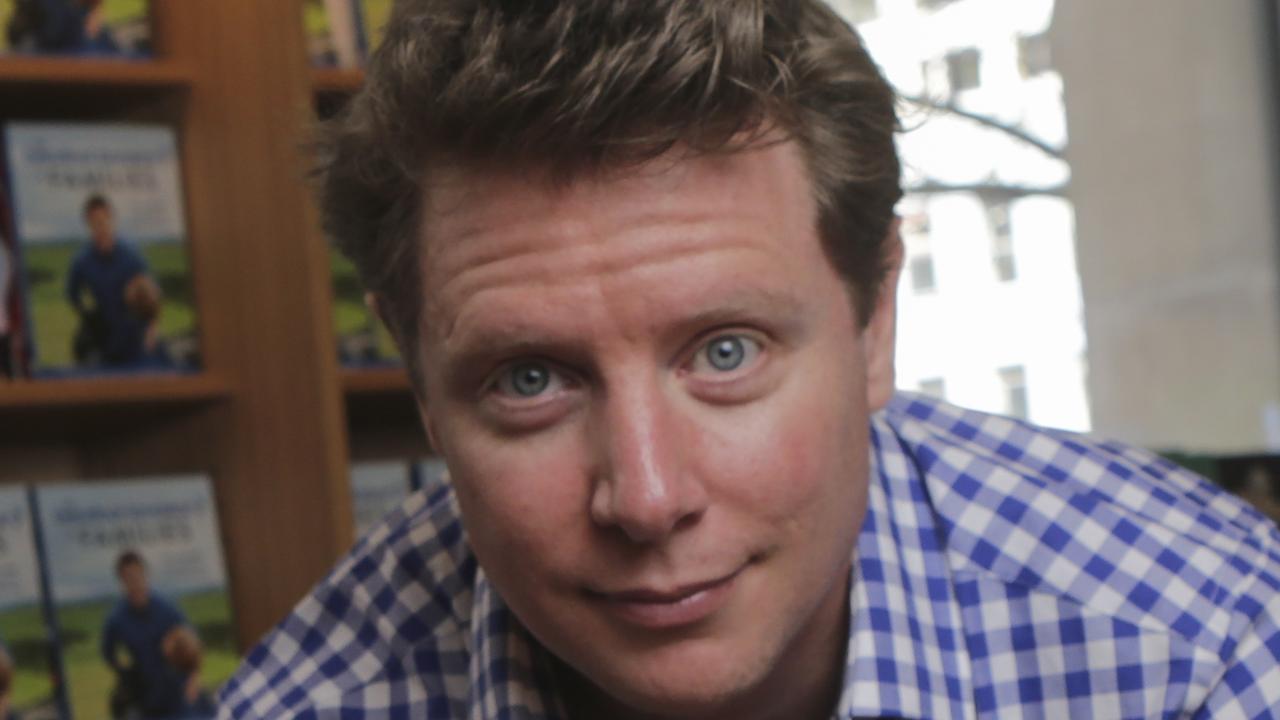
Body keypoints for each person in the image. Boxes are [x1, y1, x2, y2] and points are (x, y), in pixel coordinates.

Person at [219, 2, 1280, 718]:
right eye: (530, 379)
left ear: (872, 326)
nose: (644, 496)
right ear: (420, 384)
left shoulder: (1201, 657)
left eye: (724, 352)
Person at [66, 194, 162, 368]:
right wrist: (89, 317)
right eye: (94, 222)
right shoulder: (82, 261)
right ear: (87, 223)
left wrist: (151, 331)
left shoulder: (132, 255)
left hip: (136, 338)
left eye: (104, 220)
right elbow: (72, 294)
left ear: (112, 219)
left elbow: (152, 296)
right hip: (105, 339)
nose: (100, 227)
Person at [102, 551, 197, 720]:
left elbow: (192, 645)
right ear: (121, 580)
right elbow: (108, 653)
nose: (134, 582)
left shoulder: (167, 609)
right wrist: (125, 675)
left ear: (145, 574)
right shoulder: (117, 619)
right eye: (128, 577)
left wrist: (192, 679)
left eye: (138, 575)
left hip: (175, 694)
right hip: (143, 697)